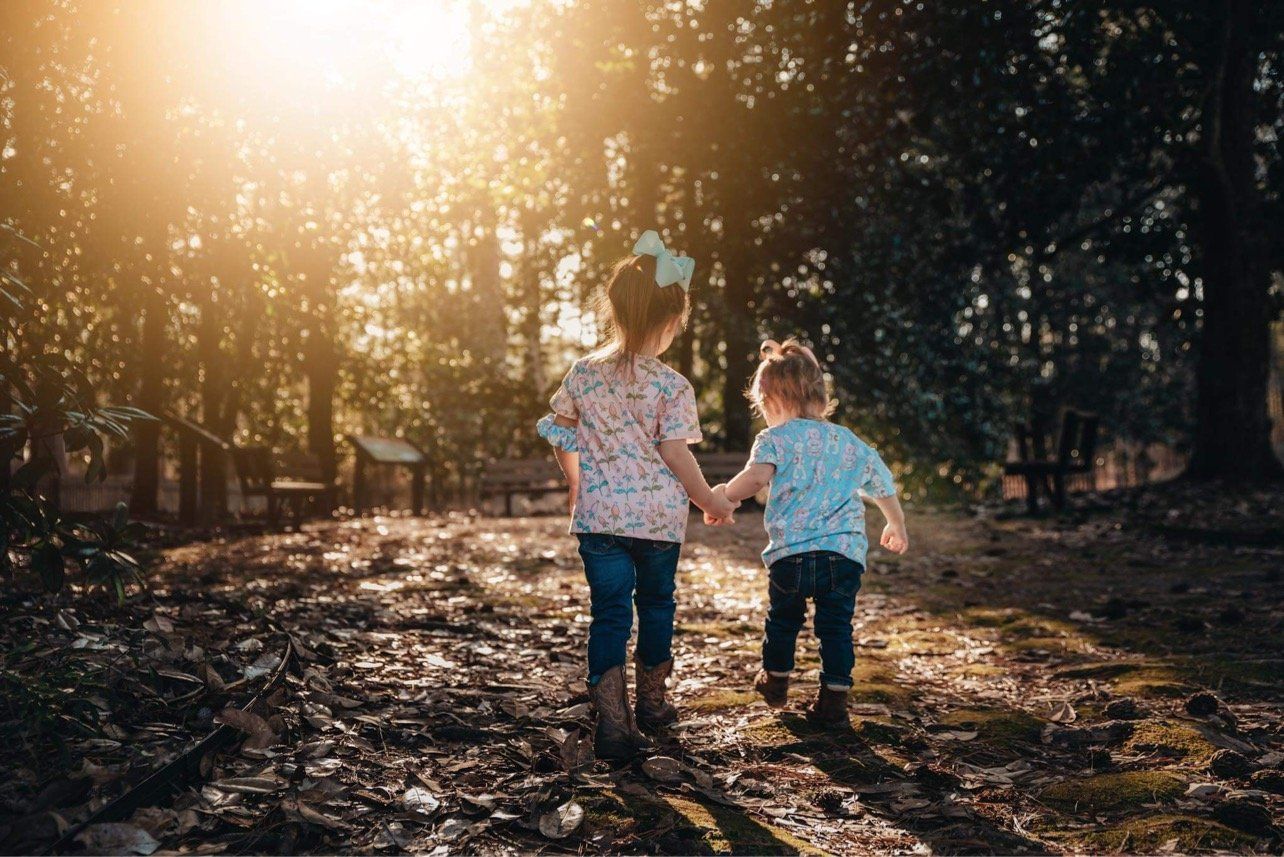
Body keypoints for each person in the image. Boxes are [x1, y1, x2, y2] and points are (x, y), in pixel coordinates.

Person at [536, 230, 739, 759]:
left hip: (600, 522)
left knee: (608, 615)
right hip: (656, 525)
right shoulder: (671, 385)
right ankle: (652, 703)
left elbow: (562, 435)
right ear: (671, 322)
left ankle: (613, 725)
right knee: (656, 607)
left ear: (618, 311)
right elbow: (676, 454)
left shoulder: (582, 374)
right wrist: (710, 501)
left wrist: (578, 485)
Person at [709, 338, 909, 726]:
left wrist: (724, 497)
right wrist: (895, 522)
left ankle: (776, 680)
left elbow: (755, 479)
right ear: (819, 396)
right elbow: (882, 484)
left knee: (783, 619)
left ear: (771, 401)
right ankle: (834, 700)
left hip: (791, 554)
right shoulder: (849, 441)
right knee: (835, 626)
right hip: (843, 555)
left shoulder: (775, 440)